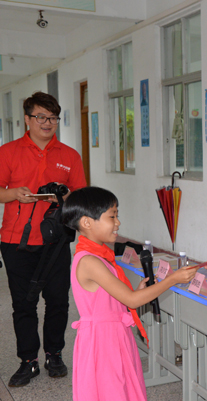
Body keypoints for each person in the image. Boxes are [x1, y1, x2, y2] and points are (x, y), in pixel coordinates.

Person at [62, 186, 198, 401]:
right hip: (102, 340)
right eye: (112, 216)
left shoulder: (97, 255)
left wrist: (139, 291)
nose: (118, 223)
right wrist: (172, 279)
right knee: (111, 391)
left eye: (117, 215)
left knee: (122, 388)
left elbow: (121, 298)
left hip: (112, 333)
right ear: (87, 222)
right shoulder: (89, 261)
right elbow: (132, 301)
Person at [0, 91, 87, 387]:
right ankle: (28, 361)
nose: (47, 123)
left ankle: (54, 354)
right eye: (40, 117)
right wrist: (14, 193)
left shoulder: (69, 155)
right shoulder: (8, 152)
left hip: (56, 241)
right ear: (27, 119)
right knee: (23, 304)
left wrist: (64, 196)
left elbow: (81, 196)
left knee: (58, 301)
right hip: (16, 241)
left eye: (53, 118)